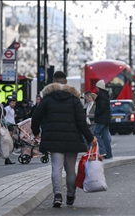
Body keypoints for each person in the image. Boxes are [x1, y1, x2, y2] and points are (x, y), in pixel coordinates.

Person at [31, 71, 97, 207]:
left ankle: (57, 195)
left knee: (56, 168)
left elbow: (36, 118)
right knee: (70, 169)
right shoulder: (74, 99)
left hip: (53, 139)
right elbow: (81, 122)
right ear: (66, 82)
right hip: (72, 139)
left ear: (53, 81)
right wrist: (90, 138)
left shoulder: (47, 99)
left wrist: (36, 133)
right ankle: (71, 194)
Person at [93, 79, 112, 159]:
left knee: (95, 133)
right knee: (105, 136)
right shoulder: (105, 95)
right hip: (106, 118)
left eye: (97, 87)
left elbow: (102, 108)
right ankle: (109, 153)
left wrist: (95, 114)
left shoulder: (101, 96)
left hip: (102, 118)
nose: (96, 89)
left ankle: (103, 151)